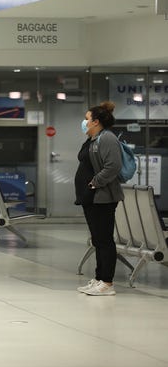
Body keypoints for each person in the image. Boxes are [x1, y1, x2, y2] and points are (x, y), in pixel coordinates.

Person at [74, 101, 123, 296]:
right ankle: (99, 278)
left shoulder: (108, 138)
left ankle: (107, 282)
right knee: (97, 239)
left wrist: (94, 183)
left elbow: (113, 166)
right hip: (90, 198)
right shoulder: (92, 139)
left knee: (104, 240)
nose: (84, 122)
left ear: (95, 122)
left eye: (86, 119)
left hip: (102, 197)